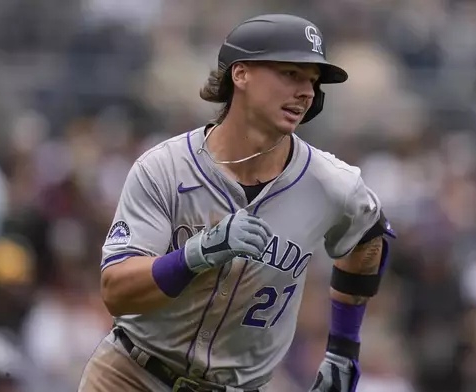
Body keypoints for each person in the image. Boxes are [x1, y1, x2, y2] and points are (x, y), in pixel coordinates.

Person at [78, 13, 395, 392]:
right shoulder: (164, 167)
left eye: (312, 81)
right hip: (132, 375)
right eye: (291, 73)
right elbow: (116, 291)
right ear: (240, 74)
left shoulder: (332, 183)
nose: (307, 92)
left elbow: (370, 236)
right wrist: (194, 255)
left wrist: (343, 348)